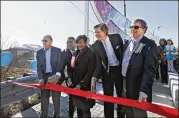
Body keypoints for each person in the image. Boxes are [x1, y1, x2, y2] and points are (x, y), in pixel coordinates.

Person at [122, 19, 158, 117]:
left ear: (144, 30)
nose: (133, 29)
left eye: (136, 27)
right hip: (125, 83)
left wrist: (143, 91)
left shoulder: (150, 44)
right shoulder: (127, 43)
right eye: (132, 27)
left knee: (138, 114)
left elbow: (150, 70)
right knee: (128, 111)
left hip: (138, 86)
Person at [92, 23, 124, 118]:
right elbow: (98, 64)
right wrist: (94, 78)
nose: (96, 34)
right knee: (108, 98)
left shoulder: (116, 37)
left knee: (121, 97)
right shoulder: (95, 46)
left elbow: (123, 54)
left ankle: (121, 116)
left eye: (98, 32)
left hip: (119, 71)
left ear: (105, 31)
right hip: (107, 73)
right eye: (95, 32)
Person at [37, 35, 64, 118]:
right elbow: (39, 67)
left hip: (55, 76)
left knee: (56, 100)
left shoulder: (58, 51)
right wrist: (41, 78)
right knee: (44, 100)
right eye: (43, 40)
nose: (44, 42)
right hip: (45, 78)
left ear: (51, 41)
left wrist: (56, 76)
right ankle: (43, 116)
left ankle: (56, 116)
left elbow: (60, 65)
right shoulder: (39, 52)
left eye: (46, 40)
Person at [70, 35, 96, 118]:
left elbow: (90, 71)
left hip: (85, 85)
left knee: (85, 109)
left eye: (81, 42)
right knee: (78, 108)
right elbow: (72, 68)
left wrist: (81, 84)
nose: (79, 44)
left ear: (85, 42)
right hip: (75, 84)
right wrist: (70, 79)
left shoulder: (90, 53)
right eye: (77, 43)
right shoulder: (76, 53)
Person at [63, 37, 77, 118]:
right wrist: (67, 78)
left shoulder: (80, 51)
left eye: (71, 42)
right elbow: (63, 68)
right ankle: (70, 115)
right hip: (70, 80)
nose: (69, 43)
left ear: (75, 43)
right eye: (67, 42)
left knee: (80, 100)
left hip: (80, 80)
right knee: (71, 100)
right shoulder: (64, 53)